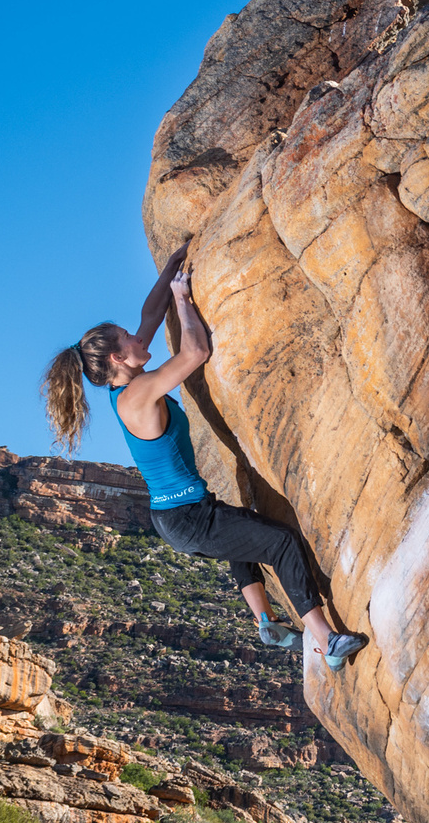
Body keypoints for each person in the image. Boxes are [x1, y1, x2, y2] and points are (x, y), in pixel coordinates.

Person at [43, 243, 367, 672]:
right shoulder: (137, 395)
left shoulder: (126, 386)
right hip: (187, 518)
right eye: (129, 338)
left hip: (178, 516)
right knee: (279, 541)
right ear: (118, 358)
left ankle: (266, 622)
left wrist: (172, 267)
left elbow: (149, 315)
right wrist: (183, 298)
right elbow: (196, 354)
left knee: (240, 532)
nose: (140, 338)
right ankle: (326, 641)